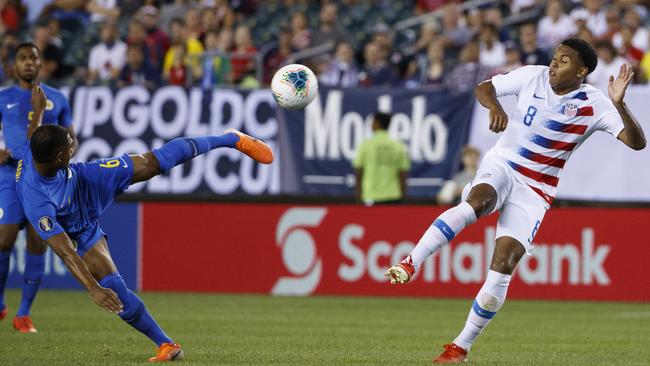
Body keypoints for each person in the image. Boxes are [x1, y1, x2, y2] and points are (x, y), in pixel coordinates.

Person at [385, 38, 646, 363]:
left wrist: (620, 104)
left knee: (503, 266)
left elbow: (637, 143)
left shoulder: (595, 104)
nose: (554, 63)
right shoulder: (532, 76)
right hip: (503, 165)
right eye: (554, 57)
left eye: (563, 61)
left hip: (536, 190)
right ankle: (411, 262)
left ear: (581, 71)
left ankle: (460, 348)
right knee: (478, 202)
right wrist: (495, 107)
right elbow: (484, 87)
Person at [17, 84, 273, 361]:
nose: (73, 148)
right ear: (58, 157)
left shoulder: (39, 152)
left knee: (153, 163)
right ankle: (167, 344)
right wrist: (93, 289)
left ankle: (230, 139)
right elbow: (66, 251)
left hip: (84, 182)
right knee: (113, 289)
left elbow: (33, 136)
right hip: (78, 224)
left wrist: (39, 111)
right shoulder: (38, 203)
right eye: (69, 147)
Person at [0, 42, 75, 333]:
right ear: (14, 66)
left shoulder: (57, 99)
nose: (28, 62)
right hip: (9, 175)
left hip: (41, 180)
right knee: (4, 240)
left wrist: (67, 155)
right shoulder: (3, 96)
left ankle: (24, 314)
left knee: (37, 242)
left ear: (41, 63)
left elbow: (72, 137)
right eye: (22, 58)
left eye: (33, 57)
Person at [353, 112, 410, 205]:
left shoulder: (365, 145)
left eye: (372, 122)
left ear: (377, 123)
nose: (371, 124)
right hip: (393, 197)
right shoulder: (398, 146)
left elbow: (359, 173)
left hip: (370, 196)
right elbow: (403, 175)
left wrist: (358, 198)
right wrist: (403, 197)